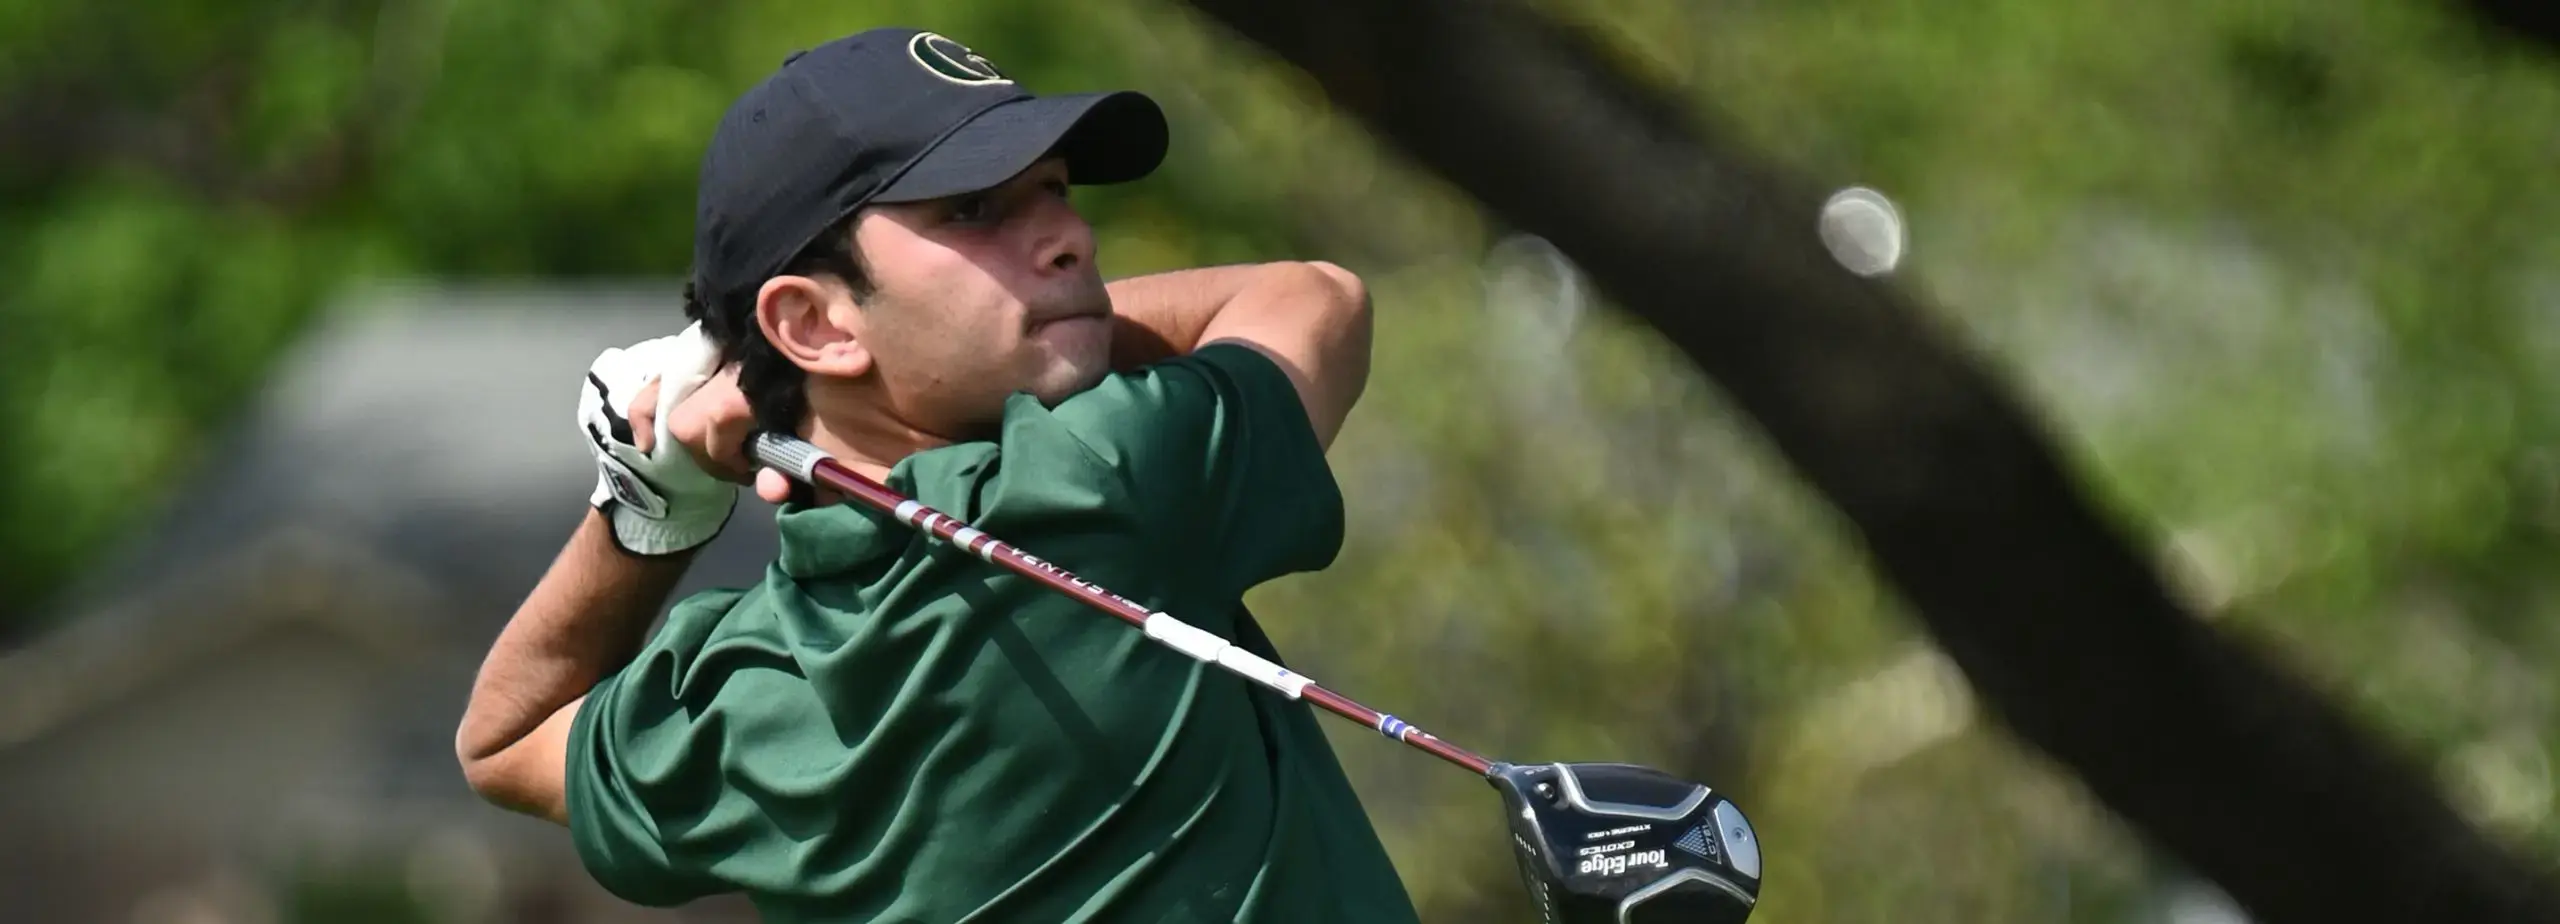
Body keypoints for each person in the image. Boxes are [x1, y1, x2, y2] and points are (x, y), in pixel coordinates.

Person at [452, 25, 1423, 923]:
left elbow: (503, 741)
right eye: (975, 210)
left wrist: (657, 500)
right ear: (815, 322)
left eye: (1056, 191)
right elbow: (1309, 295)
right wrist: (1050, 329)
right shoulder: (1107, 478)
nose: (1068, 237)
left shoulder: (745, 691)